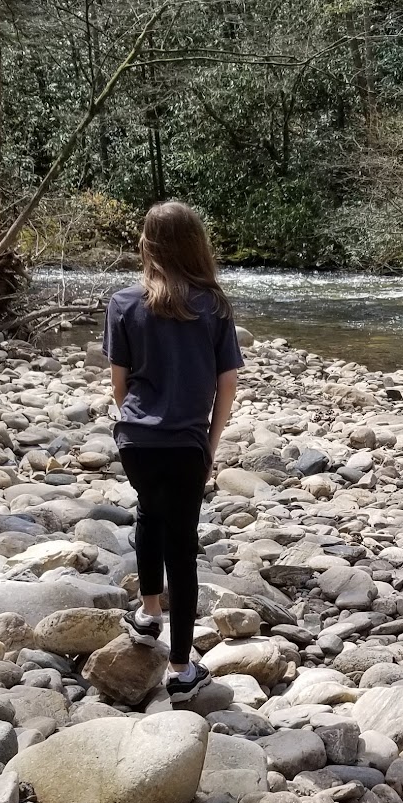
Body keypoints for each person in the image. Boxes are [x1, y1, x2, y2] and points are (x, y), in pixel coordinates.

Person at [105, 201, 241, 698]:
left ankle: (148, 612)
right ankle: (182, 670)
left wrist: (138, 424)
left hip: (137, 441)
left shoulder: (124, 303)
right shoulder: (214, 305)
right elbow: (227, 384)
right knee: (182, 549)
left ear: (148, 243)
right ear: (196, 244)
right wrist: (210, 443)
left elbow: (120, 385)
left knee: (148, 514)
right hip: (187, 443)